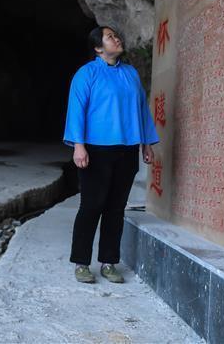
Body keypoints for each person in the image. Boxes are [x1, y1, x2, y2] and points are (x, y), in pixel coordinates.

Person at [63, 26, 158, 283]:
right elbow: (76, 110)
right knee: (91, 205)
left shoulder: (130, 73)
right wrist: (78, 145)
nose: (116, 39)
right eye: (109, 37)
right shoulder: (87, 73)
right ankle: (82, 263)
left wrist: (147, 143)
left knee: (116, 208)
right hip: (96, 149)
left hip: (127, 149)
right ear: (98, 48)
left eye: (116, 36)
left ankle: (109, 262)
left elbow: (142, 109)